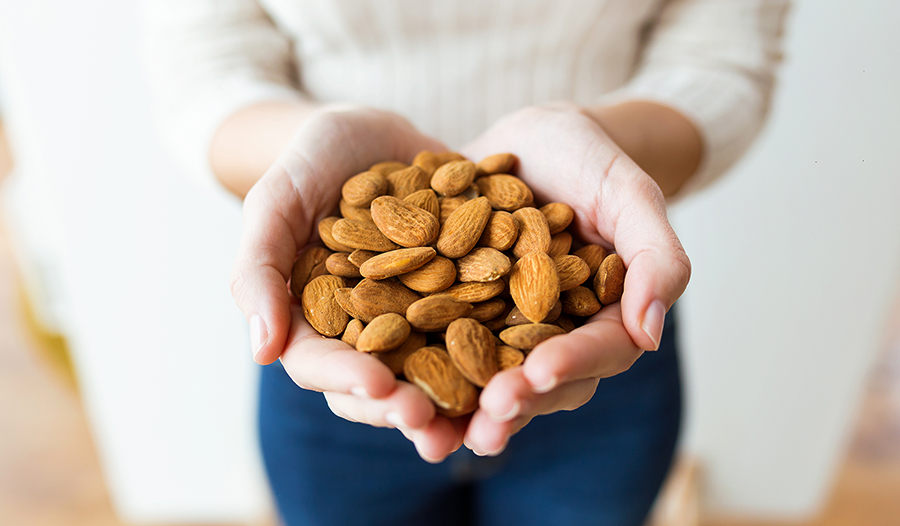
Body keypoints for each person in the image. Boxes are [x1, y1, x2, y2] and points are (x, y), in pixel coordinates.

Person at [143, 1, 788, 524]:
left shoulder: (539, 251)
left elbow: (720, 62)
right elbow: (204, 67)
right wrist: (301, 154)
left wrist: (603, 142)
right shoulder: (371, 269)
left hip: (605, 340)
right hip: (336, 376)